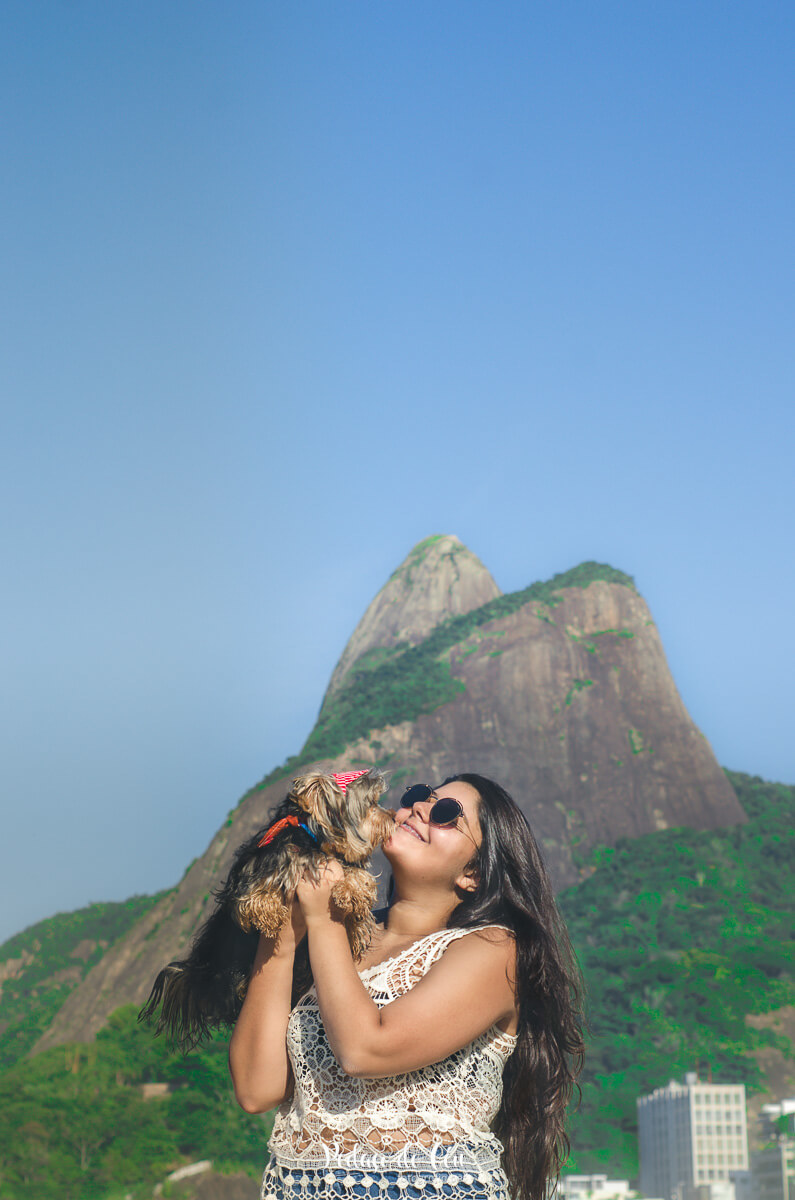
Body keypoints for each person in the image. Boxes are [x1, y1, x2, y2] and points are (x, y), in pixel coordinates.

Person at [229, 773, 584, 1200]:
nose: (419, 809)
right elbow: (256, 1089)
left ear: (472, 873)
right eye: (417, 797)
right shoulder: (333, 939)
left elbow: (365, 1049)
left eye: (447, 814)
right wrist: (281, 939)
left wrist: (323, 920)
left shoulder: (494, 950)